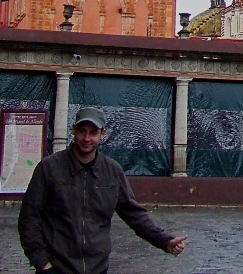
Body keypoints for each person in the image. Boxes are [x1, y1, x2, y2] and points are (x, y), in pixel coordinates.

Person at [19, 107, 188, 274]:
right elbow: (29, 218)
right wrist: (43, 264)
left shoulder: (112, 171)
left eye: (93, 132)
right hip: (57, 268)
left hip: (97, 268)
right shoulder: (49, 168)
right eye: (82, 131)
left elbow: (134, 214)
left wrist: (164, 240)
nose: (86, 138)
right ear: (73, 130)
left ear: (102, 134)